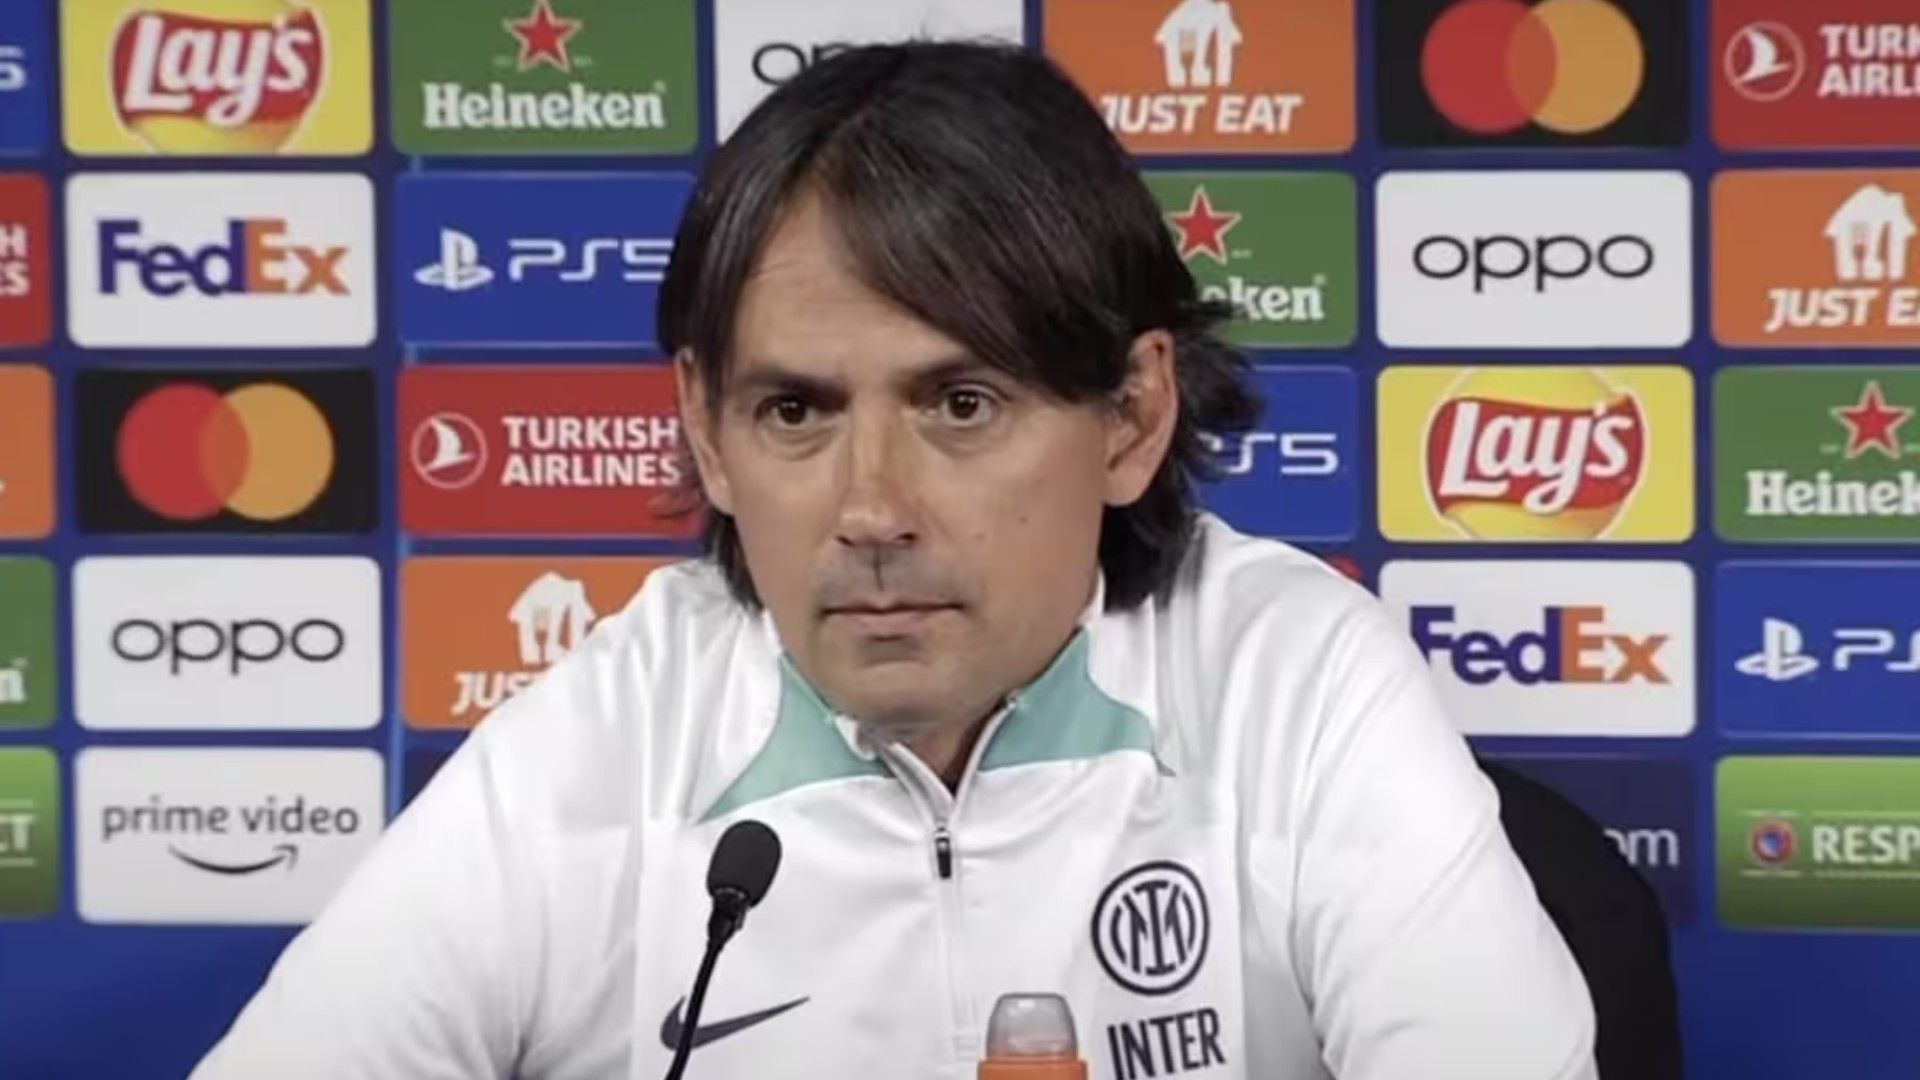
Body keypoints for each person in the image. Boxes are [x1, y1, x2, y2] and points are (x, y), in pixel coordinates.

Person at [191, 42, 1597, 1080]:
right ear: (707, 432)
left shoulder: (1294, 680)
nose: (871, 508)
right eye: (795, 413)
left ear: (1130, 417)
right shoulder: (608, 736)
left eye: (960, 405)